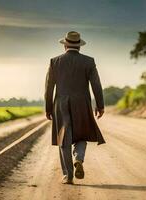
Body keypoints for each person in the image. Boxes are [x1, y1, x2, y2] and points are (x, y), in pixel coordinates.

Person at [44, 31, 106, 184]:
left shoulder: (54, 62)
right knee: (81, 135)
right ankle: (78, 158)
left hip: (61, 104)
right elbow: (96, 85)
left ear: (65, 45)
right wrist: (100, 105)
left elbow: (48, 88)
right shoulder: (89, 62)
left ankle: (68, 175)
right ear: (79, 46)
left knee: (63, 138)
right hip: (82, 103)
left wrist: (48, 108)